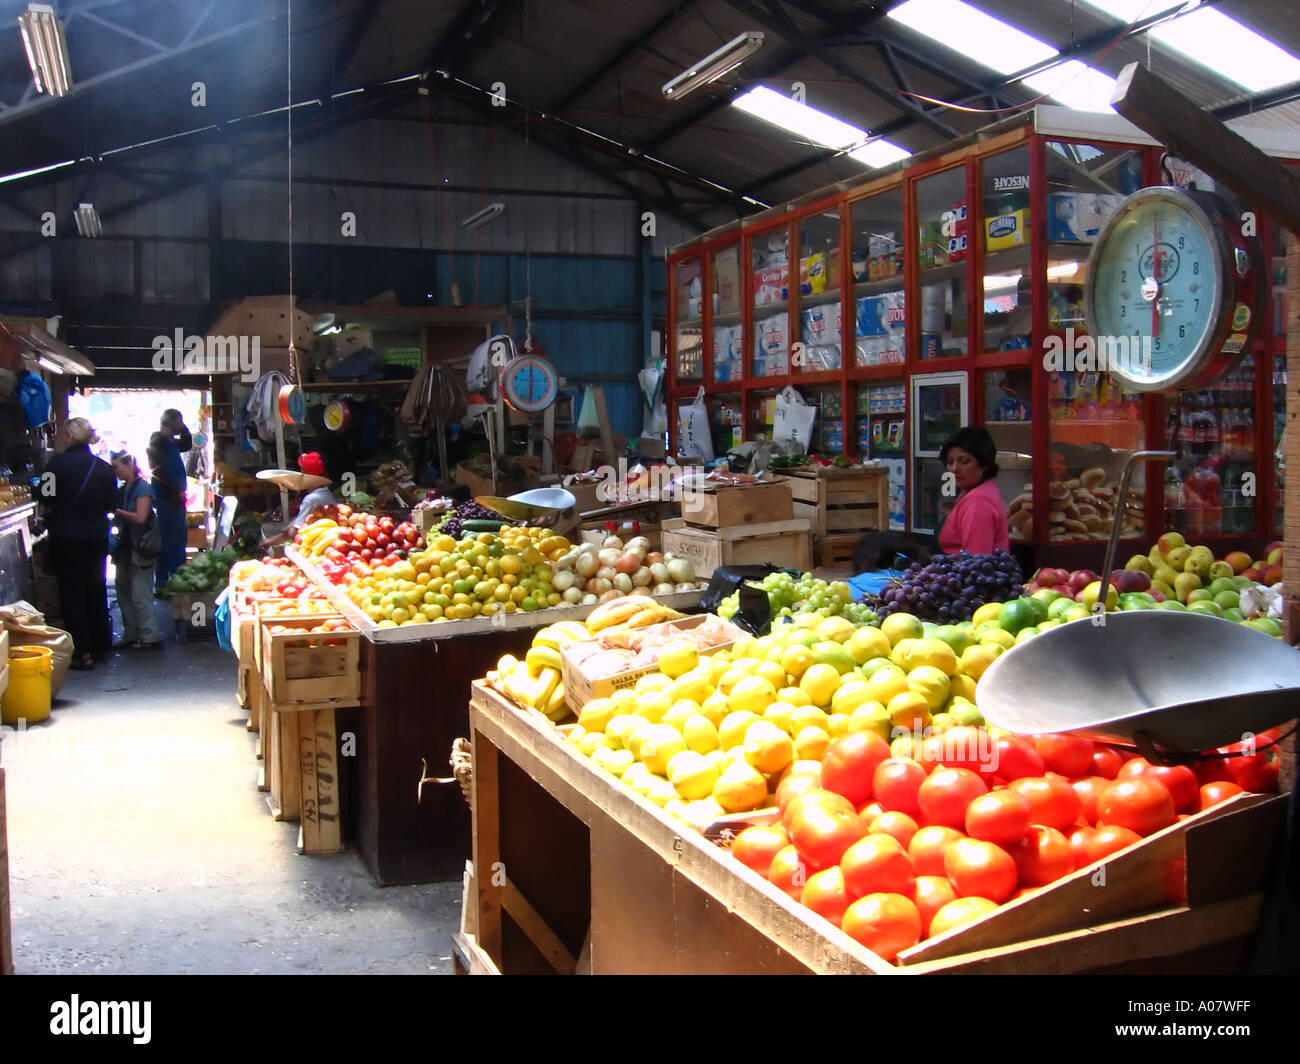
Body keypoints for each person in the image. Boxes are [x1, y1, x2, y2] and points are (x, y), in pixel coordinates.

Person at [40, 418, 119, 670]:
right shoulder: (104, 469)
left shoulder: (56, 465)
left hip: (66, 538)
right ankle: (100, 645)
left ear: (70, 437)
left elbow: (45, 494)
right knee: (95, 589)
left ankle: (82, 652)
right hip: (96, 539)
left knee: (72, 593)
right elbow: (111, 505)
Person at [110, 450, 164, 651]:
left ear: (129, 465)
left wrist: (116, 511)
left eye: (117, 467)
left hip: (141, 548)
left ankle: (151, 636)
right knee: (123, 592)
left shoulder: (143, 488)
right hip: (124, 548)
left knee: (140, 594)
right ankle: (130, 634)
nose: (115, 471)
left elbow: (141, 518)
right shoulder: (123, 489)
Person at [937, 426, 1010, 556]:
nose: (955, 469)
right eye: (949, 462)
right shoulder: (973, 490)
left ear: (984, 464)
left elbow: (975, 562)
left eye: (964, 461)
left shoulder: (978, 501)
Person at [149, 408, 192, 592]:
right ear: (171, 421)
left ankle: (177, 579)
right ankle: (161, 583)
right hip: (167, 498)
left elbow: (187, 444)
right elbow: (157, 471)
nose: (181, 425)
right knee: (167, 540)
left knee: (179, 540)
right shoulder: (158, 440)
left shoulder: (171, 441)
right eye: (179, 421)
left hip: (176, 498)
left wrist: (183, 428)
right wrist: (175, 492)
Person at [259, 452, 339, 549]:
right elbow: (302, 520)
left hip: (315, 546)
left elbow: (293, 533)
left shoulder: (311, 499)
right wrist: (291, 524)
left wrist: (270, 541)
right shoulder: (326, 493)